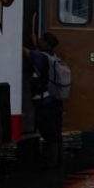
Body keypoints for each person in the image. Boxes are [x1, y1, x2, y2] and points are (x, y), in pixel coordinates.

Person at [23, 32, 64, 166]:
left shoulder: (40, 57)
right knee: (56, 134)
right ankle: (58, 162)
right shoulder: (52, 57)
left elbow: (26, 52)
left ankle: (51, 164)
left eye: (41, 39)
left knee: (48, 134)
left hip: (45, 103)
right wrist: (35, 44)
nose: (39, 40)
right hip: (55, 101)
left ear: (46, 43)